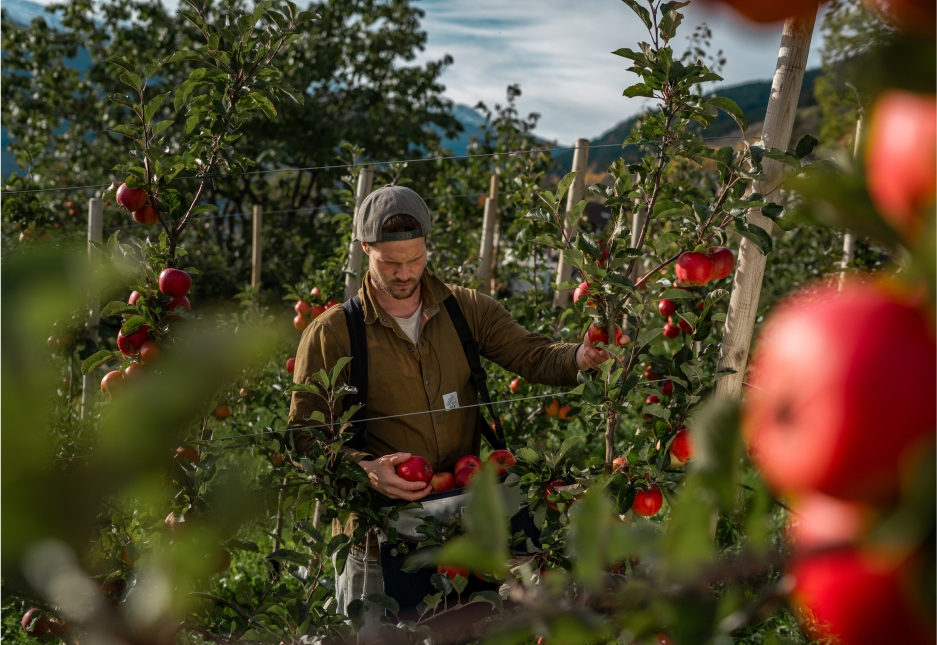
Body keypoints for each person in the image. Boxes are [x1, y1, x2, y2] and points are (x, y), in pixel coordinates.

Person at [287, 185, 609, 618]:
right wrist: (364, 469)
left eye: (415, 259)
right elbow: (303, 437)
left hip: (466, 530)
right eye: (391, 263)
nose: (405, 274)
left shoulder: (467, 309)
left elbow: (533, 356)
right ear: (365, 249)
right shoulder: (333, 333)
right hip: (379, 539)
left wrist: (579, 356)